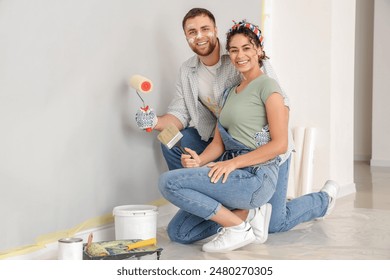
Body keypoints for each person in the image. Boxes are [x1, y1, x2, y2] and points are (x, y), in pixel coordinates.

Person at [136, 8, 340, 246]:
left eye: (204, 29)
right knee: (170, 139)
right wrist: (154, 122)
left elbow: (280, 102)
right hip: (220, 140)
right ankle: (220, 203)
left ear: (215, 31)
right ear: (186, 37)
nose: (199, 36)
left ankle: (322, 200)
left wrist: (260, 143)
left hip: (263, 148)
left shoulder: (239, 58)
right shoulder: (188, 71)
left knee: (275, 224)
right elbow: (180, 113)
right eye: (192, 32)